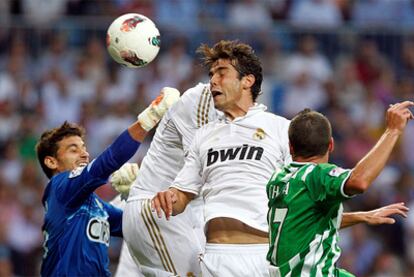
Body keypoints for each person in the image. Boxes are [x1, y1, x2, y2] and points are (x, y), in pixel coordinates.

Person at [151, 40, 410, 277]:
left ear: (247, 80)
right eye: (211, 75)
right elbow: (181, 197)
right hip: (215, 257)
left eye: (221, 73)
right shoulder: (203, 136)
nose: (213, 82)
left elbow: (303, 202)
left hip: (263, 257)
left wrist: (358, 217)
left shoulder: (279, 129)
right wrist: (170, 197)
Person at [36, 87, 180, 277]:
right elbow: (106, 163)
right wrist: (149, 117)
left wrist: (132, 194)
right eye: (73, 149)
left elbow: (136, 226)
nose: (85, 154)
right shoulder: (60, 189)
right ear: (51, 161)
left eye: (84, 147)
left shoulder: (94, 205)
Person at [266, 104, 413, 276]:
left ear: (290, 147)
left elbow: (305, 222)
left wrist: (361, 216)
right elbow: (359, 181)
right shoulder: (315, 175)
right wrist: (392, 131)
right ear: (331, 145)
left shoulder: (278, 178)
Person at [122, 82, 216, 277]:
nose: (216, 79)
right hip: (160, 206)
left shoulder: (246, 119)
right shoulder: (201, 98)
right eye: (216, 72)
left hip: (186, 211)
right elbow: (201, 165)